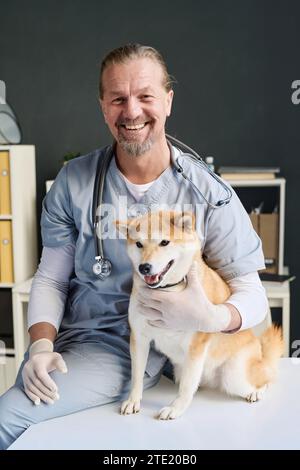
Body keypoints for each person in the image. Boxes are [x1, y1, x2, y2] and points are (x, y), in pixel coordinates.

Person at [0, 43, 268, 449]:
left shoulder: (208, 194)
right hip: (68, 338)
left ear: (168, 101)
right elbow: (51, 280)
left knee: (8, 417)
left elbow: (254, 296)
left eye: (145, 96)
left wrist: (213, 317)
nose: (132, 111)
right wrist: (39, 343)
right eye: (118, 99)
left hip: (125, 349)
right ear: (103, 106)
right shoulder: (73, 182)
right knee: (29, 396)